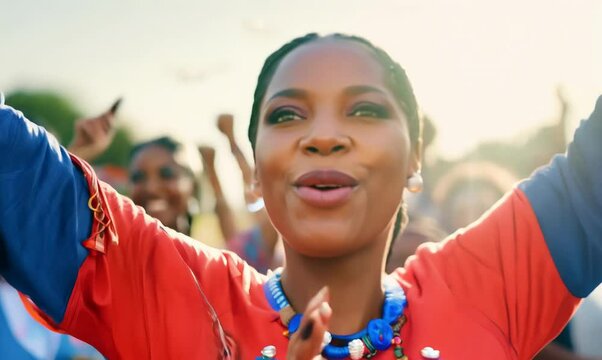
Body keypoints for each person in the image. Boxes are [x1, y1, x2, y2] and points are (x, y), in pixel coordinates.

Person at [0, 33, 600, 359]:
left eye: (364, 109)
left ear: (415, 162)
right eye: (287, 116)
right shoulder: (169, 289)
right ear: (255, 172)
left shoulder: (487, 288)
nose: (324, 136)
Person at [199, 114, 281, 273]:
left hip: (247, 260)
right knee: (253, 190)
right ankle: (228, 141)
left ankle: (216, 158)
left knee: (250, 192)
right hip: (252, 259)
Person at [127, 136, 202, 237]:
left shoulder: (210, 251)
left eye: (167, 175)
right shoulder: (110, 250)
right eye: (138, 177)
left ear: (192, 185)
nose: (151, 188)